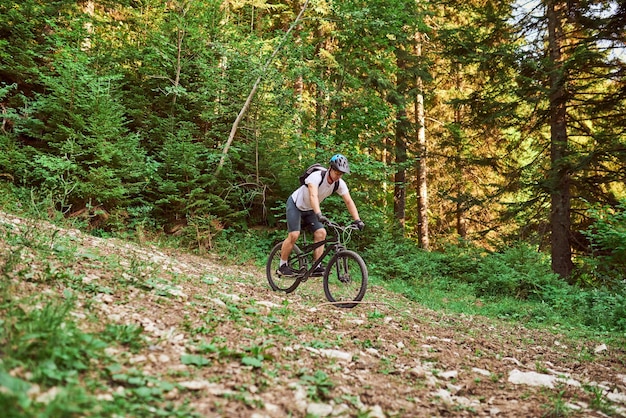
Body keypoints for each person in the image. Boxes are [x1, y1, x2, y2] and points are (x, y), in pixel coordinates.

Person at [277, 154, 365, 277]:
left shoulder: (339, 183)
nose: (338, 176)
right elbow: (313, 196)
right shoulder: (316, 177)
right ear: (331, 168)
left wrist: (357, 220)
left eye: (341, 174)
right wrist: (319, 214)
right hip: (296, 204)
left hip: (311, 209)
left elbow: (349, 201)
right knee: (294, 234)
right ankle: (282, 265)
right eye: (337, 173)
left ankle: (316, 266)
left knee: (321, 233)